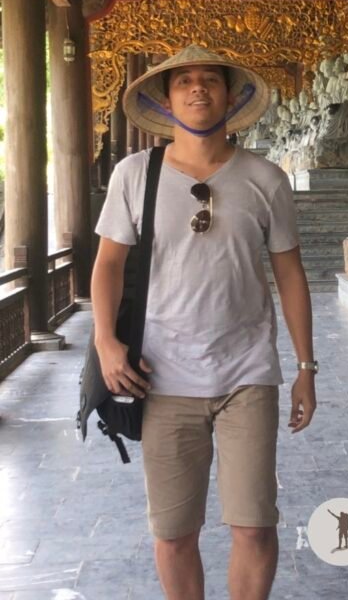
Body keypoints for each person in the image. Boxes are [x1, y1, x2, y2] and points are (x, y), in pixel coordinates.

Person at [91, 45, 319, 600]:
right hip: (161, 376)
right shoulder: (134, 175)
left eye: (210, 80)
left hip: (247, 373)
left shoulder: (265, 178)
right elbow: (108, 265)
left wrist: (306, 367)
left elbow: (289, 274)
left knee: (256, 527)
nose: (198, 89)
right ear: (165, 100)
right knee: (172, 534)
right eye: (184, 81)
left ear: (231, 94)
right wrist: (104, 341)